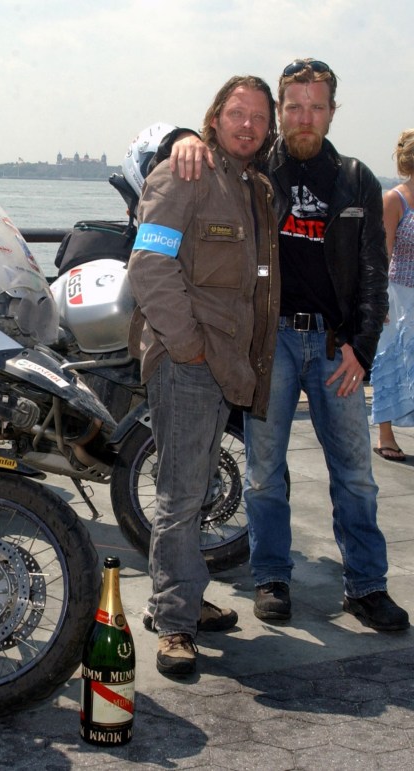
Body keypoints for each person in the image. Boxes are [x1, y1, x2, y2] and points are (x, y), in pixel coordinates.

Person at [169, 59, 409, 632]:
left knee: (355, 473)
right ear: (280, 109)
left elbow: (373, 271)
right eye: (294, 106)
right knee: (264, 472)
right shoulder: (256, 170)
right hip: (268, 341)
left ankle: (367, 585)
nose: (304, 117)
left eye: (316, 107)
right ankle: (272, 577)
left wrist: (361, 348)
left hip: (335, 346)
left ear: (332, 111)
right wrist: (181, 137)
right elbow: (202, 150)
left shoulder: (355, 179)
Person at [127, 75, 279, 676]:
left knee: (198, 491)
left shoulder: (254, 186)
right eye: (237, 113)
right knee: (182, 495)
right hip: (188, 363)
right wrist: (188, 348)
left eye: (259, 117)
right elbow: (149, 264)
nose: (248, 125)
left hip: (228, 364)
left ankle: (180, 596)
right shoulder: (183, 173)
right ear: (214, 118)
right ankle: (174, 624)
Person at [370, 129, 414, 462]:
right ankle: (385, 434)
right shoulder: (394, 199)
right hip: (399, 294)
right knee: (390, 361)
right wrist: (378, 300)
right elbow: (382, 254)